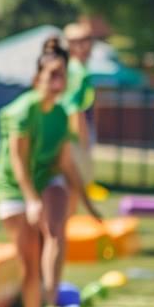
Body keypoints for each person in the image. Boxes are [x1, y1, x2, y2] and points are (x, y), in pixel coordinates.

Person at [0, 38, 101, 307]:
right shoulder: (23, 110)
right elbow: (17, 160)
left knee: (55, 231)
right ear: (36, 79)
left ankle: (50, 301)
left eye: (62, 75)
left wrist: (90, 205)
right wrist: (30, 199)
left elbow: (66, 164)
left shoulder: (60, 114)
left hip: (45, 181)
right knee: (28, 259)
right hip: (14, 188)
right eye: (52, 75)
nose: (58, 81)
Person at [62, 21, 97, 186]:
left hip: (71, 133)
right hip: (74, 134)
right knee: (75, 184)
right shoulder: (77, 71)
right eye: (77, 42)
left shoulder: (73, 69)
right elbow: (74, 109)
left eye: (87, 40)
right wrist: (83, 142)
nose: (85, 46)